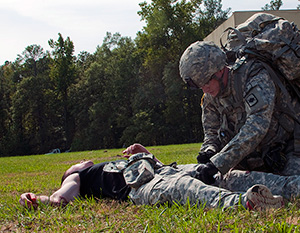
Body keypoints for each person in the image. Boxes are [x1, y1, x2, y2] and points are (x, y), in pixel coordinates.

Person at [19, 144, 283, 211]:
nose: (80, 161)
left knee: (223, 173)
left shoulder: (101, 166)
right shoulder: (77, 176)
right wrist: (37, 199)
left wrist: (144, 152)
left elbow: (156, 164)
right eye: (75, 165)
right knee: (184, 187)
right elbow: (60, 199)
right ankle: (245, 203)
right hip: (140, 188)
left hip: (164, 169)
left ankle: (290, 185)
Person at [179, 41, 300, 185]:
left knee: (292, 186)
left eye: (206, 82)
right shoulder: (210, 98)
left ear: (219, 70)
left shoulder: (254, 76)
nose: (205, 90)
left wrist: (218, 162)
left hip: (287, 149)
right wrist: (209, 152)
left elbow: (256, 127)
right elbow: (212, 133)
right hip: (252, 159)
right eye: (200, 86)